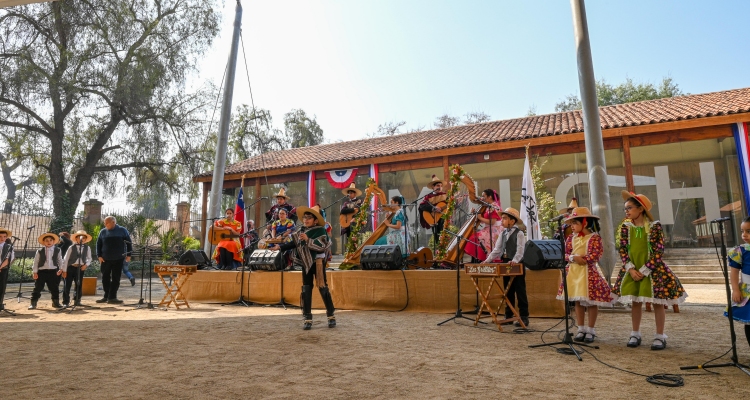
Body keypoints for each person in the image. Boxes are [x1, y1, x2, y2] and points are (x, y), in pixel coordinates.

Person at [612, 192, 687, 350]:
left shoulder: (654, 227)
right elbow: (623, 249)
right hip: (633, 269)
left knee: (657, 302)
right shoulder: (626, 227)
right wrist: (631, 269)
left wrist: (646, 270)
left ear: (640, 209)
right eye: (625, 208)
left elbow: (658, 251)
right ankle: (635, 333)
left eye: (629, 208)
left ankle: (659, 336)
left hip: (652, 269)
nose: (626, 211)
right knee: (636, 302)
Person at [555, 207, 616, 343]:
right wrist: (573, 258)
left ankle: (591, 329)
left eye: (575, 223)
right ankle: (581, 328)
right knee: (578, 301)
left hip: (588, 273)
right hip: (574, 272)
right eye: (571, 224)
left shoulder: (594, 238)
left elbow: (596, 255)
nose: (572, 227)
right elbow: (565, 254)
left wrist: (584, 259)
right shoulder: (570, 238)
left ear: (585, 223)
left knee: (591, 302)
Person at [270, 205, 335, 330]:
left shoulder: (321, 230)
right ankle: (307, 318)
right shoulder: (301, 230)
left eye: (309, 218)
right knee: (306, 288)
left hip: (318, 263)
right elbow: (293, 243)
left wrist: (308, 239)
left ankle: (331, 316)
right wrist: (279, 247)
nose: (306, 220)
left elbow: (323, 245)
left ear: (315, 220)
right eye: (305, 217)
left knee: (323, 288)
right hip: (306, 262)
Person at [483, 208, 528, 327]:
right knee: (508, 289)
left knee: (520, 290)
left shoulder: (519, 233)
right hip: (506, 262)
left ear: (512, 221)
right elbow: (497, 250)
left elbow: (520, 250)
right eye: (502, 218)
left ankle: (524, 316)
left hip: (517, 263)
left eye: (505, 218)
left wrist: (514, 261)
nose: (502, 220)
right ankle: (509, 315)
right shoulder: (502, 233)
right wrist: (487, 260)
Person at [725, 215, 750, 351]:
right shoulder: (740, 251)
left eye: (748, 231)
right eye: (742, 231)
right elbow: (734, 272)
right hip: (748, 292)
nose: (744, 235)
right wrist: (736, 289)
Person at [96, 216, 133, 304]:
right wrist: (99, 256)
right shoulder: (103, 232)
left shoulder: (122, 230)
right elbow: (98, 244)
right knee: (105, 278)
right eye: (104, 223)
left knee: (116, 278)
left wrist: (129, 255)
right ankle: (106, 296)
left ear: (113, 222)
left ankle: (112, 297)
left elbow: (129, 243)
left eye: (107, 223)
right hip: (105, 259)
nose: (105, 225)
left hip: (118, 258)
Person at [464, 189, 503, 261]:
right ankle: (480, 259)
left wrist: (480, 217)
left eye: (483, 196)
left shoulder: (493, 206)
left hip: (494, 230)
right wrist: (476, 213)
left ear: (490, 197)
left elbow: (492, 222)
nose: (482, 198)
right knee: (473, 237)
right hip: (489, 228)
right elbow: (485, 220)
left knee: (474, 238)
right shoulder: (489, 206)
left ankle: (483, 259)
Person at [30, 233, 64, 309]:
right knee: (38, 287)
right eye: (46, 240)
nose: (49, 242)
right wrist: (35, 272)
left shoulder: (57, 250)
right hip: (42, 272)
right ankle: (33, 303)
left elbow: (60, 260)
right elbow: (36, 262)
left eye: (50, 240)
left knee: (54, 287)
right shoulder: (40, 251)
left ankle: (55, 302)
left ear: (53, 241)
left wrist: (61, 269)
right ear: (43, 242)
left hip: (53, 271)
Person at [61, 230, 93, 307]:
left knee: (79, 284)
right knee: (67, 285)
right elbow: (65, 259)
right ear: (76, 238)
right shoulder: (71, 247)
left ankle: (77, 300)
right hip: (70, 267)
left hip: (80, 268)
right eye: (80, 237)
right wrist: (64, 270)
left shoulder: (87, 248)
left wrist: (86, 265)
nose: (82, 239)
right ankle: (66, 302)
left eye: (84, 238)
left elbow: (89, 258)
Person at [418, 175, 448, 245]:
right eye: (438, 186)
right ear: (433, 187)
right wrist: (433, 208)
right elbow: (422, 206)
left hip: (444, 219)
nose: (440, 187)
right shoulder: (428, 197)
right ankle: (439, 252)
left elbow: (450, 206)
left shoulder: (445, 195)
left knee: (445, 237)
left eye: (441, 186)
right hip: (433, 218)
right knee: (437, 238)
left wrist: (457, 202)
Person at [0, 228, 15, 310]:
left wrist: (0, 267)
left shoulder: (9, 246)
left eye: (4, 236)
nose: (2, 238)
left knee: (1, 287)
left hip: (3, 269)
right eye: (0, 236)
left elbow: (8, 259)